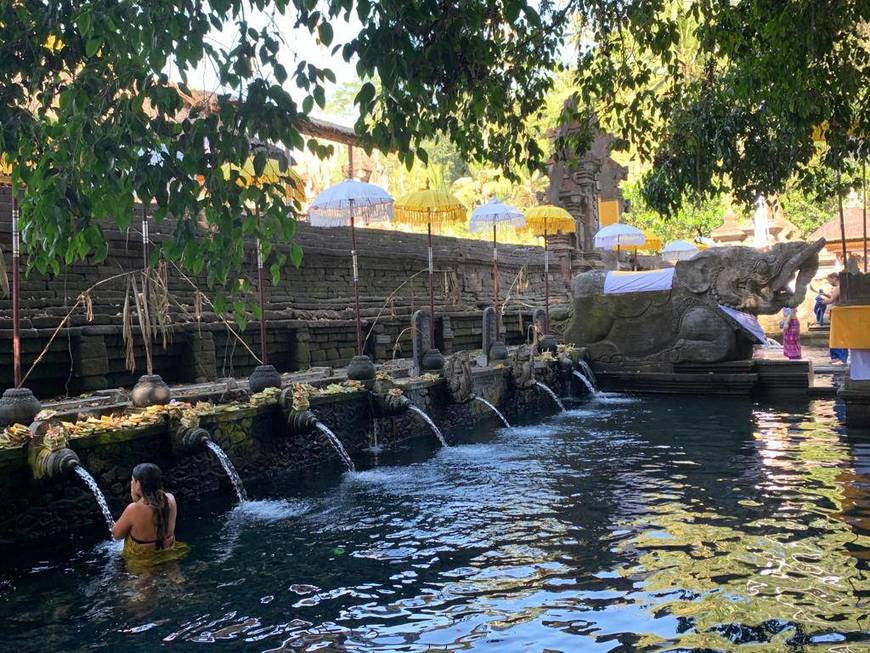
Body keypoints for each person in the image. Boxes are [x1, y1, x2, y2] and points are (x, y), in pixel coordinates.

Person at [112, 463, 187, 568]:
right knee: (173, 572)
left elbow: (116, 535)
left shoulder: (133, 509)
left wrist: (134, 498)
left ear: (137, 484)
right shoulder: (170, 499)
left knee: (142, 582)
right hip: (168, 550)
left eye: (133, 480)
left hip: (142, 558)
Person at [820, 273, 849, 365]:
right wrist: (825, 294)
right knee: (837, 335)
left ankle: (838, 357)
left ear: (834, 278)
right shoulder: (842, 287)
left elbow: (832, 300)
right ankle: (838, 356)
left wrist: (821, 302)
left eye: (829, 280)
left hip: (838, 314)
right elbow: (835, 298)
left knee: (836, 335)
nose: (829, 282)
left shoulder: (838, 287)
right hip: (840, 313)